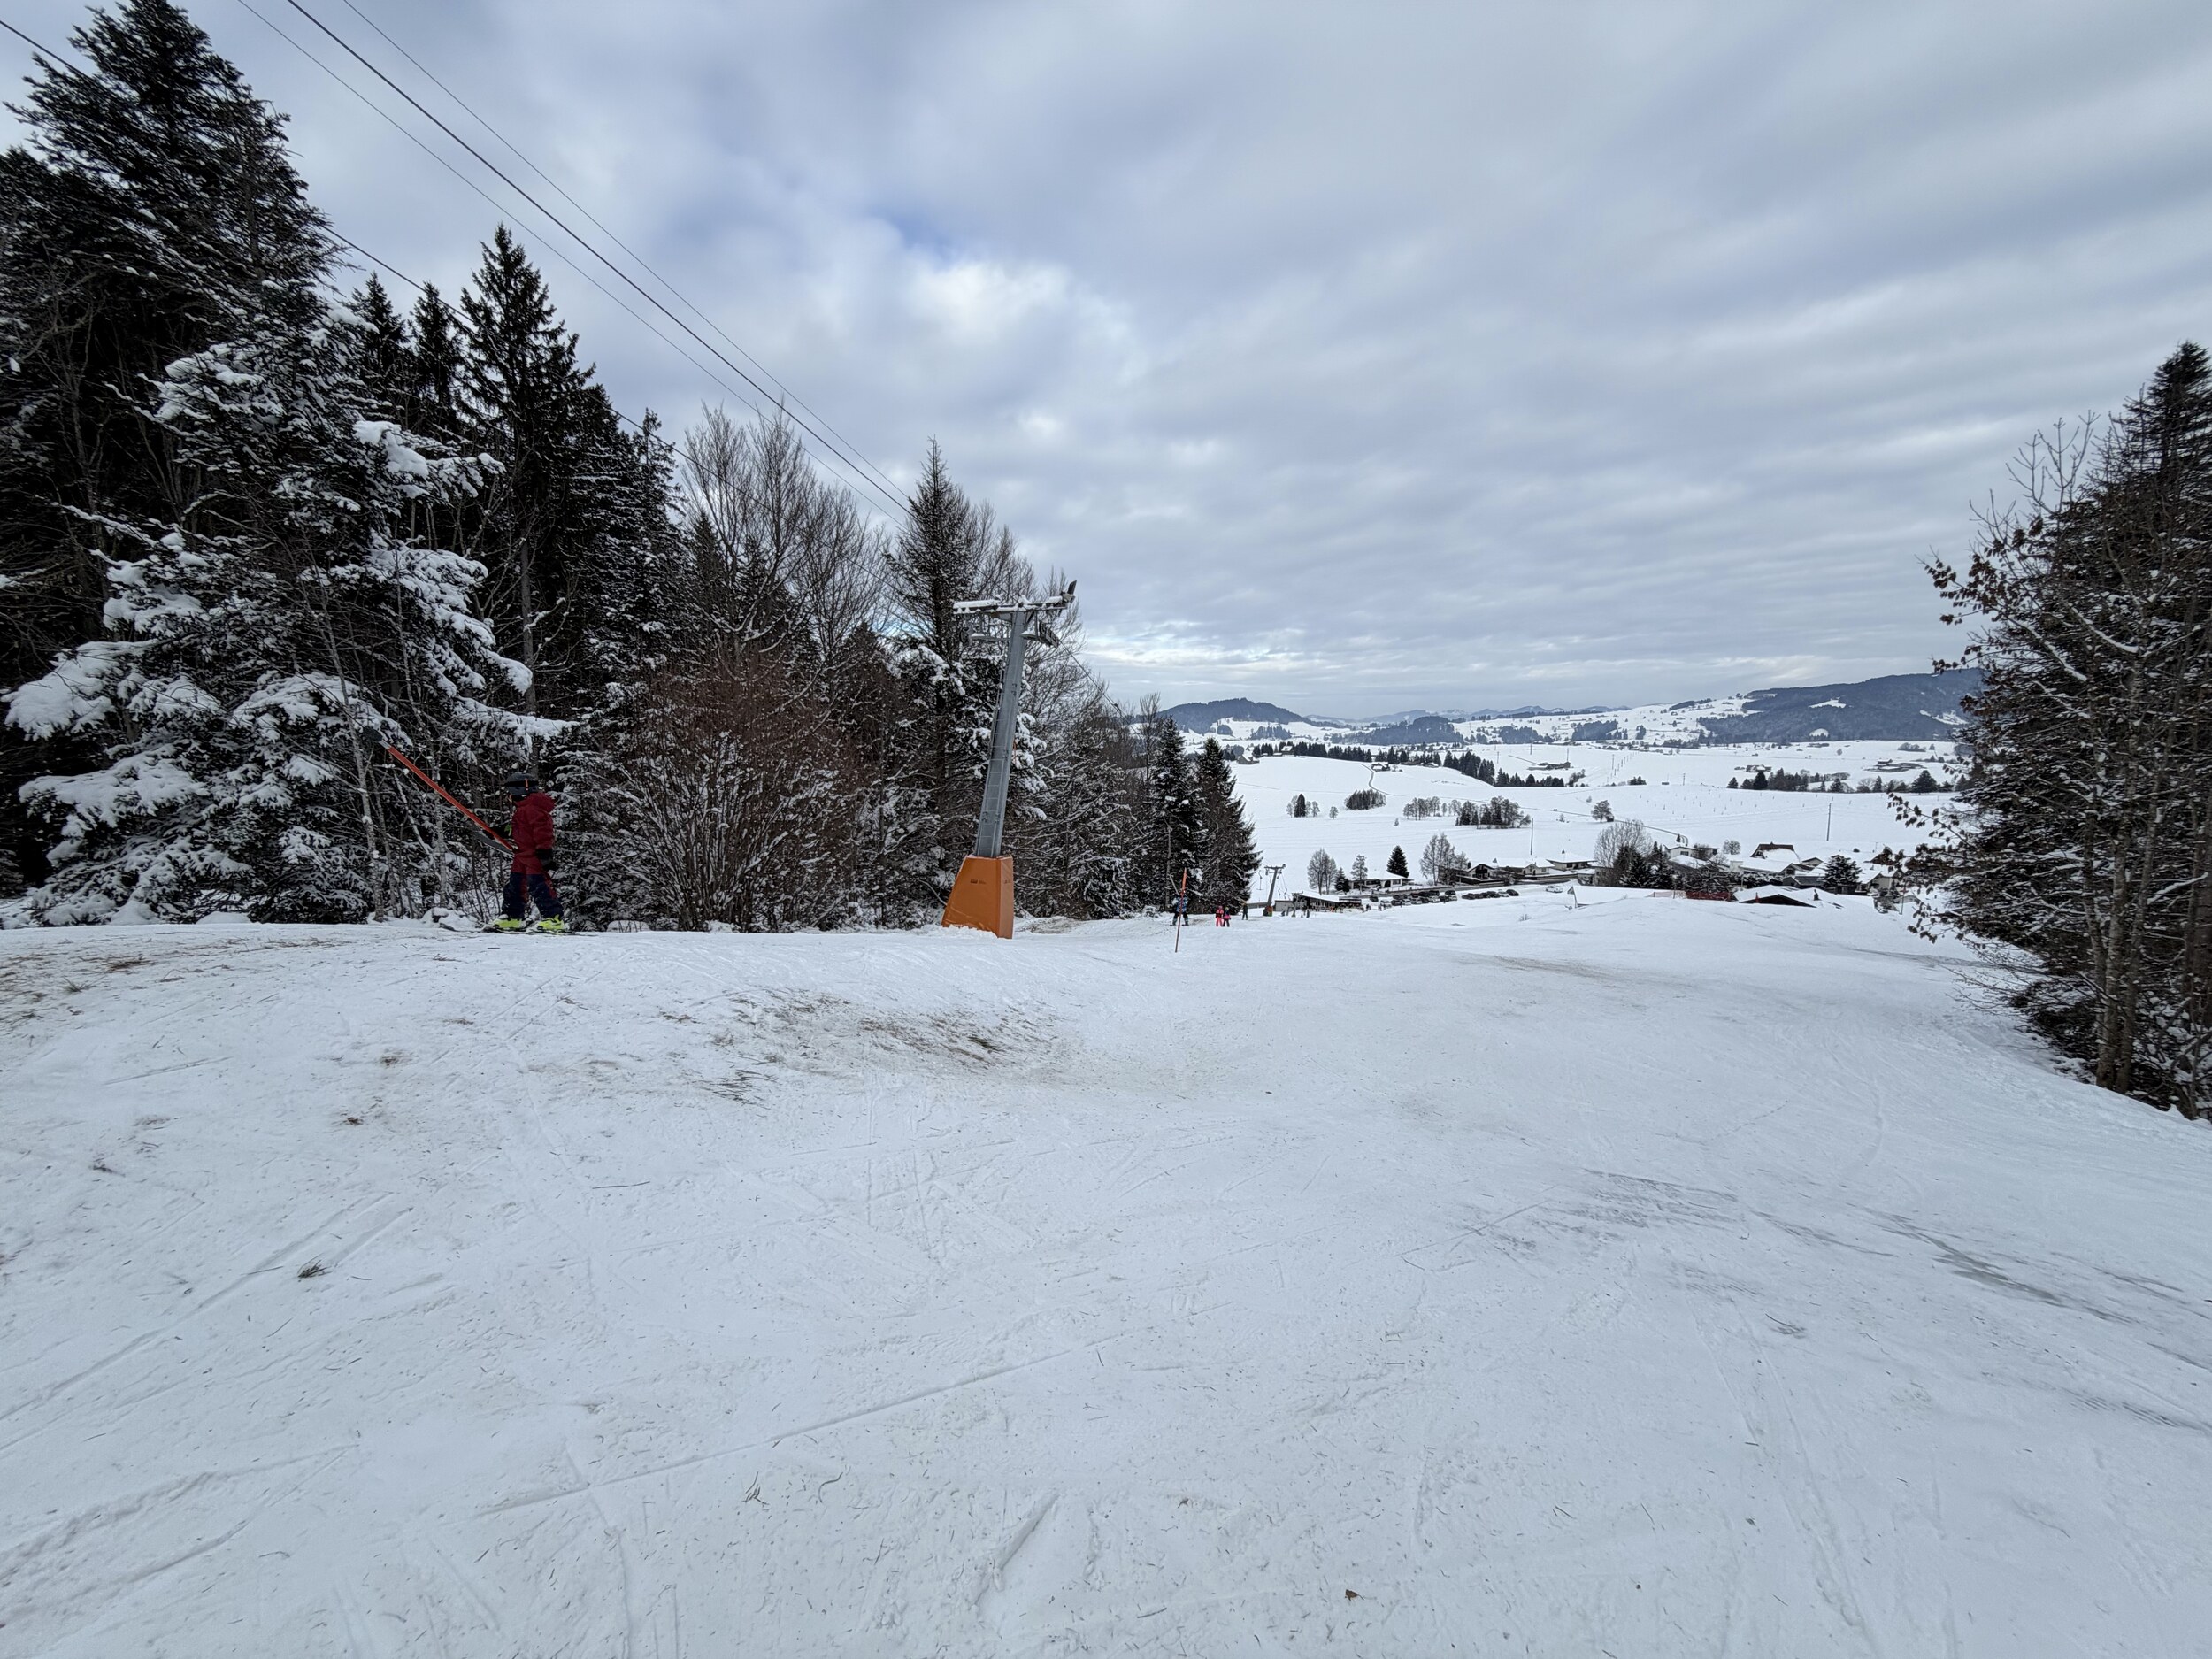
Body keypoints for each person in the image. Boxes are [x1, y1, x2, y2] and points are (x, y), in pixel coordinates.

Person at [491, 769, 566, 933]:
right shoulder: (523, 808)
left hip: (533, 855)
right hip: (522, 855)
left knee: (538, 885)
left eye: (509, 792)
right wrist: (501, 831)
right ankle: (512, 917)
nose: (508, 796)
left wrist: (544, 851)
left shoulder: (532, 808)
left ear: (518, 791)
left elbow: (543, 830)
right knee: (515, 885)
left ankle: (554, 918)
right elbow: (520, 829)